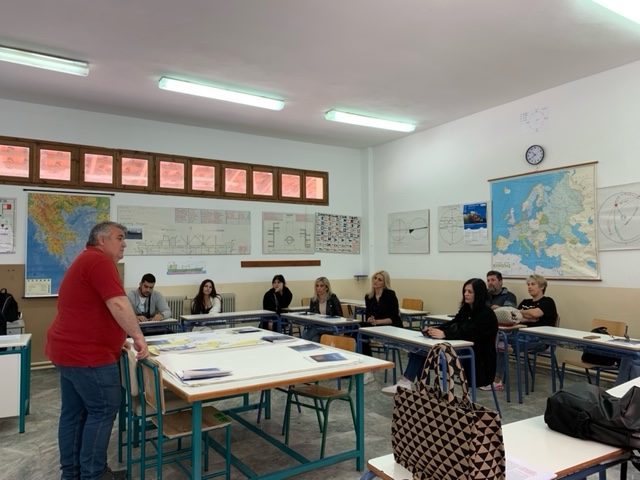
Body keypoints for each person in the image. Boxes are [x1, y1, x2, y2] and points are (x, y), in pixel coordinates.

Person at [46, 221, 149, 480]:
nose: (124, 244)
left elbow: (93, 309)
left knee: (74, 414)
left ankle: (72, 474)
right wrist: (138, 336)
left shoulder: (86, 260)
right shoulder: (100, 261)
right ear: (102, 240)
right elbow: (118, 304)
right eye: (119, 238)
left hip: (68, 352)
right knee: (103, 410)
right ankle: (94, 474)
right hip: (88, 356)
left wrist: (116, 337)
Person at [382, 278, 498, 395]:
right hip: (460, 350)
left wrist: (445, 334)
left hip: (477, 358)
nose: (465, 294)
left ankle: (409, 384)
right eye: (465, 291)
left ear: (479, 293)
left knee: (422, 353)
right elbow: (453, 323)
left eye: (470, 292)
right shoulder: (466, 309)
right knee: (419, 350)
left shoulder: (486, 314)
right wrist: (435, 329)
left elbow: (469, 333)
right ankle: (414, 386)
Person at [492, 274, 558, 390]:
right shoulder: (525, 302)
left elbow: (534, 314)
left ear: (542, 287)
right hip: (520, 334)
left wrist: (521, 313)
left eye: (533, 284)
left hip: (541, 339)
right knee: (498, 339)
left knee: (503, 343)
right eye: (528, 284)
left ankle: (497, 380)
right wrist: (527, 316)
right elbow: (514, 317)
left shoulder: (548, 301)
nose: (529, 287)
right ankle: (495, 378)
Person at [362, 270, 402, 383]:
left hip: (391, 327)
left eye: (379, 280)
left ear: (384, 283)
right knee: (358, 330)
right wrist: (370, 319)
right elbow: (368, 315)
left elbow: (394, 318)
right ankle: (366, 368)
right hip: (377, 327)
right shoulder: (369, 296)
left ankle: (369, 369)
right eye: (375, 278)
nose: (376, 281)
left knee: (362, 334)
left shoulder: (390, 294)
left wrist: (377, 322)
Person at [302, 276, 342, 342]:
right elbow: (311, 316)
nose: (319, 288)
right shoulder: (313, 300)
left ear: (327, 287)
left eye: (321, 286)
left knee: (311, 331)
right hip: (318, 326)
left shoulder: (333, 298)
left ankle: (302, 342)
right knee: (315, 339)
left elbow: (340, 316)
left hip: (330, 326)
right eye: (317, 286)